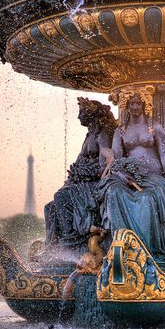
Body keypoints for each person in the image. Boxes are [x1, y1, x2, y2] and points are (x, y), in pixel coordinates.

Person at [98, 92, 165, 260]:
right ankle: (120, 249)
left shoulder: (154, 126)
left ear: (144, 105)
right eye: (131, 104)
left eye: (138, 103)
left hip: (152, 177)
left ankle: (146, 250)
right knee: (114, 193)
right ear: (126, 107)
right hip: (127, 178)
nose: (135, 107)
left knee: (146, 199)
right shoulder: (120, 131)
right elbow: (116, 159)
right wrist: (122, 175)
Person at [44, 97, 117, 254]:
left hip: (95, 183)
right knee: (49, 208)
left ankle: (72, 243)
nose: (79, 117)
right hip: (81, 181)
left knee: (61, 197)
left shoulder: (102, 135)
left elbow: (103, 167)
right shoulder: (89, 136)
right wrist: (75, 174)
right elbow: (79, 163)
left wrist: (83, 172)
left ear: (92, 114)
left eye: (82, 113)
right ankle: (52, 248)